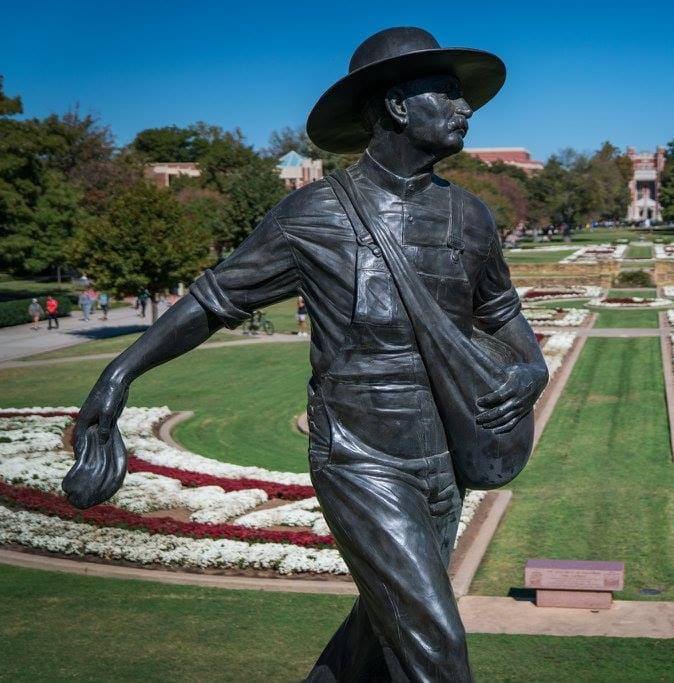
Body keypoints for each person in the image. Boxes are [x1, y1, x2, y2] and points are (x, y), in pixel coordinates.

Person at [61, 27, 547, 683]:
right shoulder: (311, 215)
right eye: (448, 93)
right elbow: (214, 298)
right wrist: (119, 371)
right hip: (359, 456)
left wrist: (530, 364)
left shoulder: (472, 217)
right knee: (436, 648)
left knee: (378, 635)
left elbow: (501, 314)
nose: (466, 110)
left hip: (441, 457)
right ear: (399, 106)